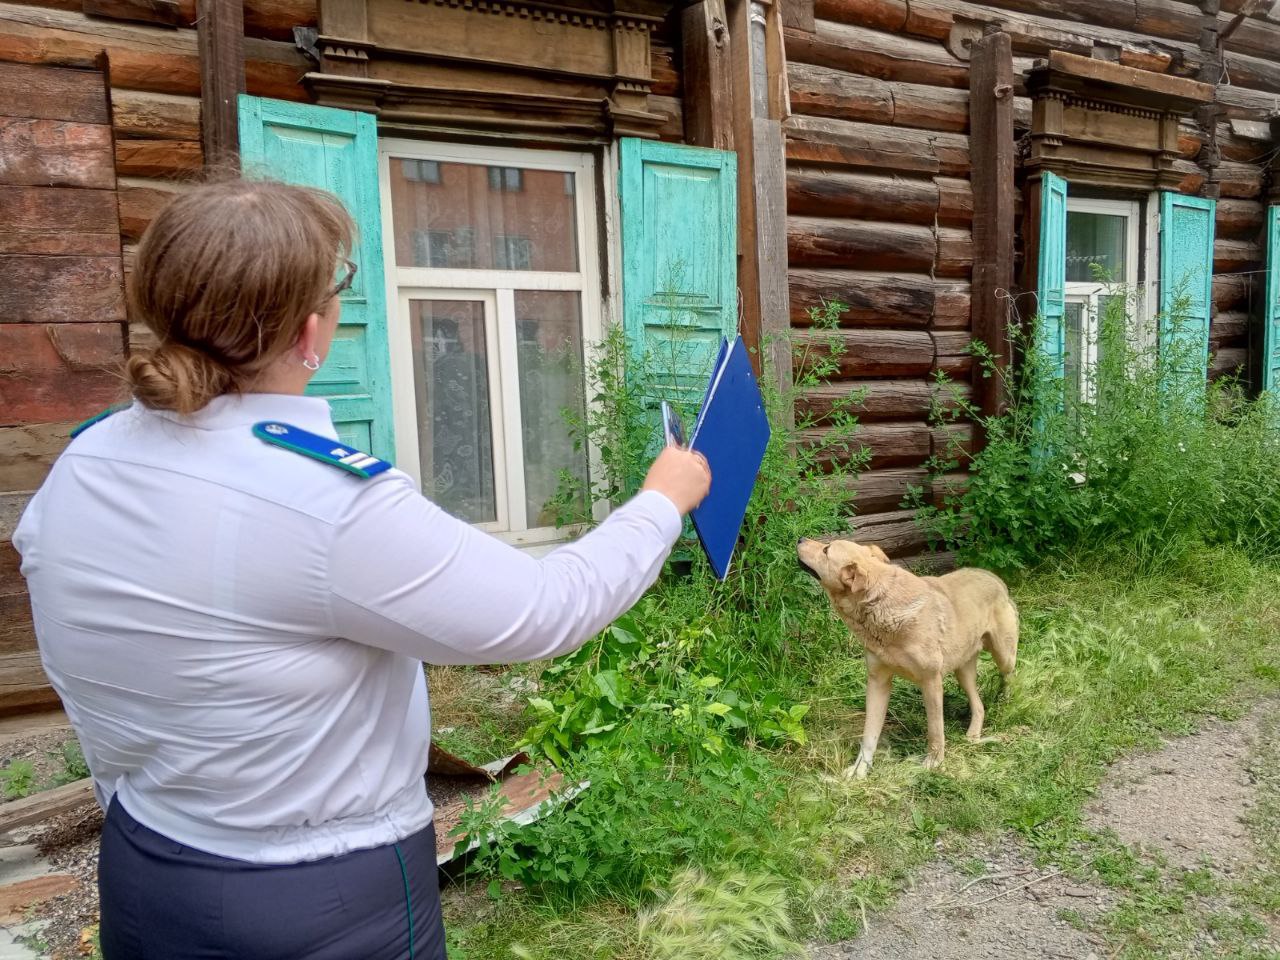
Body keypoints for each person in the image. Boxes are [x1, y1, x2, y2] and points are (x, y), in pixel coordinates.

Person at [13, 178, 711, 959]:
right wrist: (660, 502)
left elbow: (70, 641)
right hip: (322, 902)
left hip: (146, 870)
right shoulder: (326, 502)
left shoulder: (86, 461)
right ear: (311, 333)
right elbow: (543, 610)